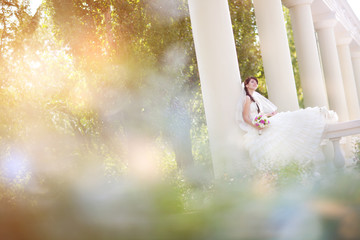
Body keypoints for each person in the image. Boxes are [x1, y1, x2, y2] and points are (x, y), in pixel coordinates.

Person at [237, 77, 338, 172]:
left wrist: (268, 115)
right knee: (276, 138)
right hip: (255, 127)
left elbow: (258, 114)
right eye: (252, 82)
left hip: (260, 124)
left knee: (287, 124)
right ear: (246, 85)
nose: (255, 83)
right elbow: (246, 117)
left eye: (256, 82)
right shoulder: (247, 98)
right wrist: (256, 126)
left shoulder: (255, 98)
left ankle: (318, 113)